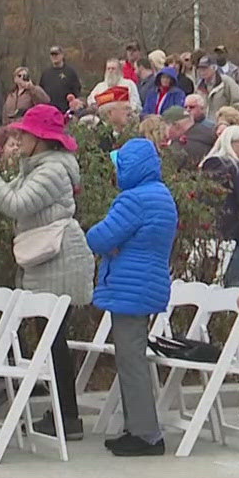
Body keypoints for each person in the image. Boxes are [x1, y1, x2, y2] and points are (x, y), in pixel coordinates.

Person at [0, 104, 95, 441]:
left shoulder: (51, 170)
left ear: (41, 138)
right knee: (50, 340)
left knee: (53, 341)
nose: (17, 136)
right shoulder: (36, 166)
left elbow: (16, 204)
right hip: (45, 260)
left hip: (59, 261)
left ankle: (67, 416)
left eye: (24, 133)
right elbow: (3, 199)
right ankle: (63, 413)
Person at [85, 137, 176, 456]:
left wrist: (110, 244)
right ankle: (135, 427)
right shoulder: (162, 195)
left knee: (130, 359)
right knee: (132, 356)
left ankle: (146, 434)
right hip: (148, 283)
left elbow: (98, 237)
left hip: (129, 287)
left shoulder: (133, 200)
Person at [202, 125, 239, 287]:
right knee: (233, 285)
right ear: (230, 143)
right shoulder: (236, 168)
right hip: (237, 234)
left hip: (210, 235)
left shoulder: (207, 165)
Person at [39, 46, 83, 111]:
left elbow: (76, 90)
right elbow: (41, 92)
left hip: (65, 109)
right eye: (52, 55)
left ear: (62, 55)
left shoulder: (70, 72)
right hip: (49, 110)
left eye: (56, 54)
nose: (54, 57)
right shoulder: (46, 73)